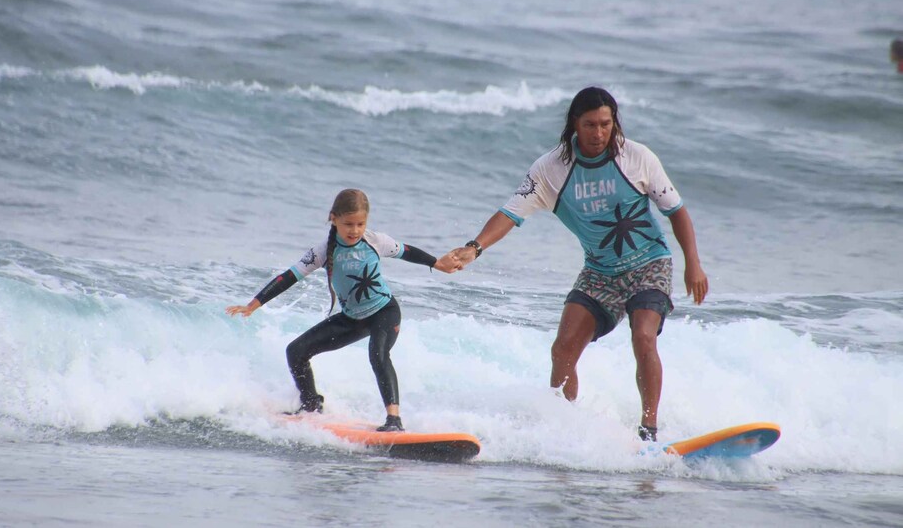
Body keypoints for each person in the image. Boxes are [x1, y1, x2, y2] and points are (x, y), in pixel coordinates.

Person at [449, 87, 708, 442]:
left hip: (649, 263)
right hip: (600, 271)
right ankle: (564, 425)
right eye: (590, 125)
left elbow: (676, 212)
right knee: (563, 350)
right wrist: (474, 248)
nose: (599, 133)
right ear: (575, 123)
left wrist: (692, 263)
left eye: (606, 124)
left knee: (643, 336)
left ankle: (649, 430)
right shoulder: (551, 169)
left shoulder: (638, 157)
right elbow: (509, 213)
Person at [227, 188, 461, 432]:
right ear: (334, 218)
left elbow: (408, 252)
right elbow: (290, 276)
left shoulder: (375, 240)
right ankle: (311, 407)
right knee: (296, 351)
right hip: (352, 320)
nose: (355, 230)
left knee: (378, 354)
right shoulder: (322, 251)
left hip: (384, 311)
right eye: (349, 224)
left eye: (360, 223)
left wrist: (437, 263)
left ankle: (394, 421)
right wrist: (254, 304)